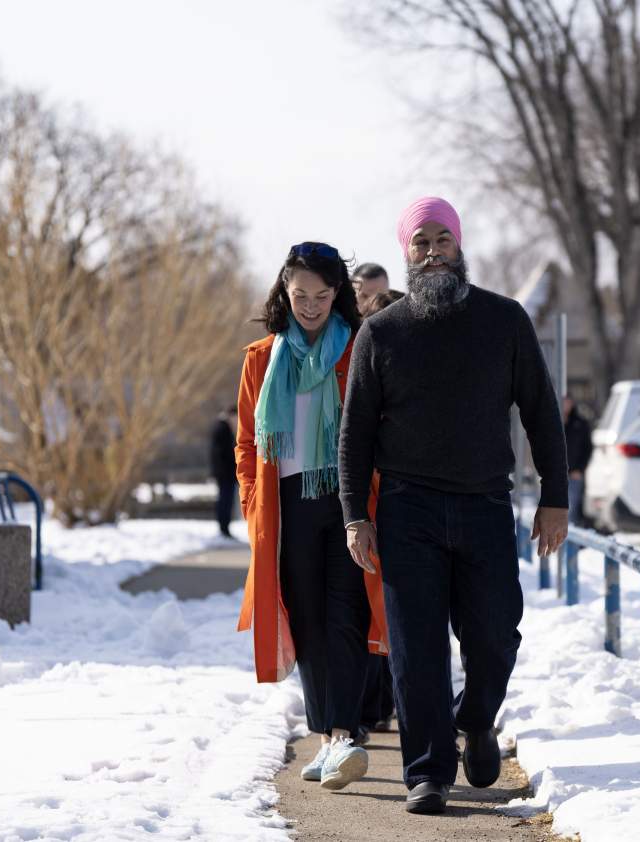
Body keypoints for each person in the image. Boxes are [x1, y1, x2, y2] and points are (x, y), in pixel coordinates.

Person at [339, 197, 569, 815]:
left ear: (460, 246)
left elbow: (542, 413)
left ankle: (476, 718)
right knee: (416, 649)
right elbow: (355, 431)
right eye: (421, 242)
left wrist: (555, 498)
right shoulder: (380, 333)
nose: (433, 250)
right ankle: (429, 772)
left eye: (443, 239)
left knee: (496, 635)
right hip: (408, 508)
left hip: (485, 504)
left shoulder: (504, 320)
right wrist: (355, 513)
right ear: (406, 254)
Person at [235, 241, 389, 792]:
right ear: (284, 290)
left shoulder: (358, 349)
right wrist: (253, 498)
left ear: (337, 295)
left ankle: (344, 735)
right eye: (300, 294)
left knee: (345, 615)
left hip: (348, 503)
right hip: (286, 506)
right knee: (306, 621)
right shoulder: (260, 358)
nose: (310, 305)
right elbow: (247, 443)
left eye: (322, 295)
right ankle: (327, 738)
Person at [354, 286, 406, 738]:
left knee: (397, 611)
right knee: (374, 606)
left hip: (406, 499)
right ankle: (371, 707)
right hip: (370, 498)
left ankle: (391, 704)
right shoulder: (362, 366)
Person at [562, 396, 593, 527]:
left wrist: (580, 469)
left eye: (567, 401)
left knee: (572, 510)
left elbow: (588, 448)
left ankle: (570, 545)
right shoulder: (553, 421)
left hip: (574, 473)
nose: (565, 405)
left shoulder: (580, 423)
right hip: (556, 474)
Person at [209, 405, 238, 538]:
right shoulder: (223, 428)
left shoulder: (221, 427)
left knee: (226, 500)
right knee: (225, 500)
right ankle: (224, 528)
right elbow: (222, 453)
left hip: (224, 473)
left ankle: (224, 527)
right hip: (225, 473)